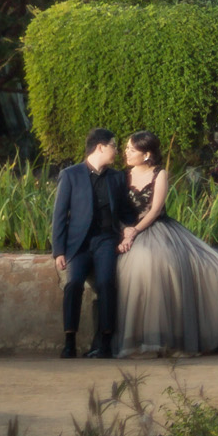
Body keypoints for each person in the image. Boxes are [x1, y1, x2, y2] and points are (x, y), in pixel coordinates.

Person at [114, 130, 218, 356]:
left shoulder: (160, 173)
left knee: (176, 262)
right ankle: (138, 339)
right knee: (137, 263)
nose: (126, 152)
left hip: (155, 227)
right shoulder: (122, 176)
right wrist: (125, 231)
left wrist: (135, 231)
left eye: (131, 149)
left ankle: (169, 339)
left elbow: (155, 209)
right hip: (126, 228)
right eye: (126, 148)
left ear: (146, 154)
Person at [51, 128, 134, 359]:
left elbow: (126, 212)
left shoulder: (117, 177)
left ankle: (105, 342)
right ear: (100, 147)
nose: (117, 151)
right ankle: (70, 341)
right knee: (73, 283)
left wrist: (129, 229)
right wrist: (58, 250)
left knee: (107, 283)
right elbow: (59, 215)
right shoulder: (71, 175)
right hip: (78, 244)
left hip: (106, 240)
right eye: (114, 146)